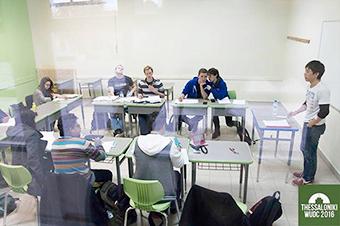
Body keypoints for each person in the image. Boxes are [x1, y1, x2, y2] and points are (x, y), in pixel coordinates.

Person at [131, 110, 184, 213]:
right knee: (177, 175)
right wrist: (178, 151)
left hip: (140, 194)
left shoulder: (137, 141)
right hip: (163, 194)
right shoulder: (169, 144)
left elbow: (135, 162)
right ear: (163, 126)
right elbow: (179, 164)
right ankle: (173, 208)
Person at [288, 60, 330, 186]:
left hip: (315, 126)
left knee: (310, 152)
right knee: (304, 149)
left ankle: (308, 178)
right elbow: (307, 103)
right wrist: (296, 112)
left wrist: (312, 123)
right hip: (309, 123)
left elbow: (324, 111)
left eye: (308, 72)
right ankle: (306, 172)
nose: (304, 74)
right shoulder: (310, 86)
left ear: (316, 74)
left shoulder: (323, 90)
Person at [51, 113, 112, 185]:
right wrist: (98, 145)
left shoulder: (54, 144)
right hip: (81, 182)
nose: (80, 127)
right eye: (77, 126)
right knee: (107, 174)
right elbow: (101, 157)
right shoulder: (82, 143)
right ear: (71, 130)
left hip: (62, 182)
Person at [6, 108, 53, 196]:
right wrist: (42, 181)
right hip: (29, 177)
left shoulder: (11, 131)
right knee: (51, 160)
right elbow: (33, 160)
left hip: (16, 173)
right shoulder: (32, 135)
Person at [207, 68, 237, 139]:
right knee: (214, 114)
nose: (209, 78)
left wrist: (211, 89)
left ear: (216, 75)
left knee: (229, 123)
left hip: (226, 104)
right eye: (208, 76)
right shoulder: (211, 83)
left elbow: (220, 96)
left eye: (210, 76)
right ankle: (217, 130)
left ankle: (238, 124)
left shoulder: (222, 83)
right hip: (217, 104)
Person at [178, 68, 210, 132]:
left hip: (200, 105)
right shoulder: (191, 82)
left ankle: (193, 122)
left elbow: (205, 97)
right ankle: (191, 123)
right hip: (190, 103)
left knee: (203, 113)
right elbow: (184, 92)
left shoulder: (208, 84)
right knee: (180, 113)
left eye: (205, 77)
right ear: (198, 76)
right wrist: (181, 96)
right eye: (201, 76)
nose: (203, 78)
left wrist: (201, 87)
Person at [107, 64, 137, 136]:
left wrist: (131, 92)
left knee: (121, 113)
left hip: (126, 100)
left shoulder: (127, 79)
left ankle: (119, 131)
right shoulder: (111, 80)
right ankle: (119, 130)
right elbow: (111, 90)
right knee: (112, 113)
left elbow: (134, 87)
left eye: (122, 68)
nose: (120, 69)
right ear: (115, 70)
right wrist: (114, 97)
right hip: (116, 100)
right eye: (118, 68)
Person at [137, 65, 165, 135]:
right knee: (141, 116)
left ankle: (155, 132)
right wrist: (139, 95)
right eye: (147, 74)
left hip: (155, 104)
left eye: (150, 73)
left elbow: (163, 95)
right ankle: (145, 134)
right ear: (145, 74)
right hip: (145, 104)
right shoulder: (141, 83)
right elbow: (139, 93)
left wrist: (155, 91)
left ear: (152, 73)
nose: (148, 75)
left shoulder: (158, 82)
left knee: (156, 115)